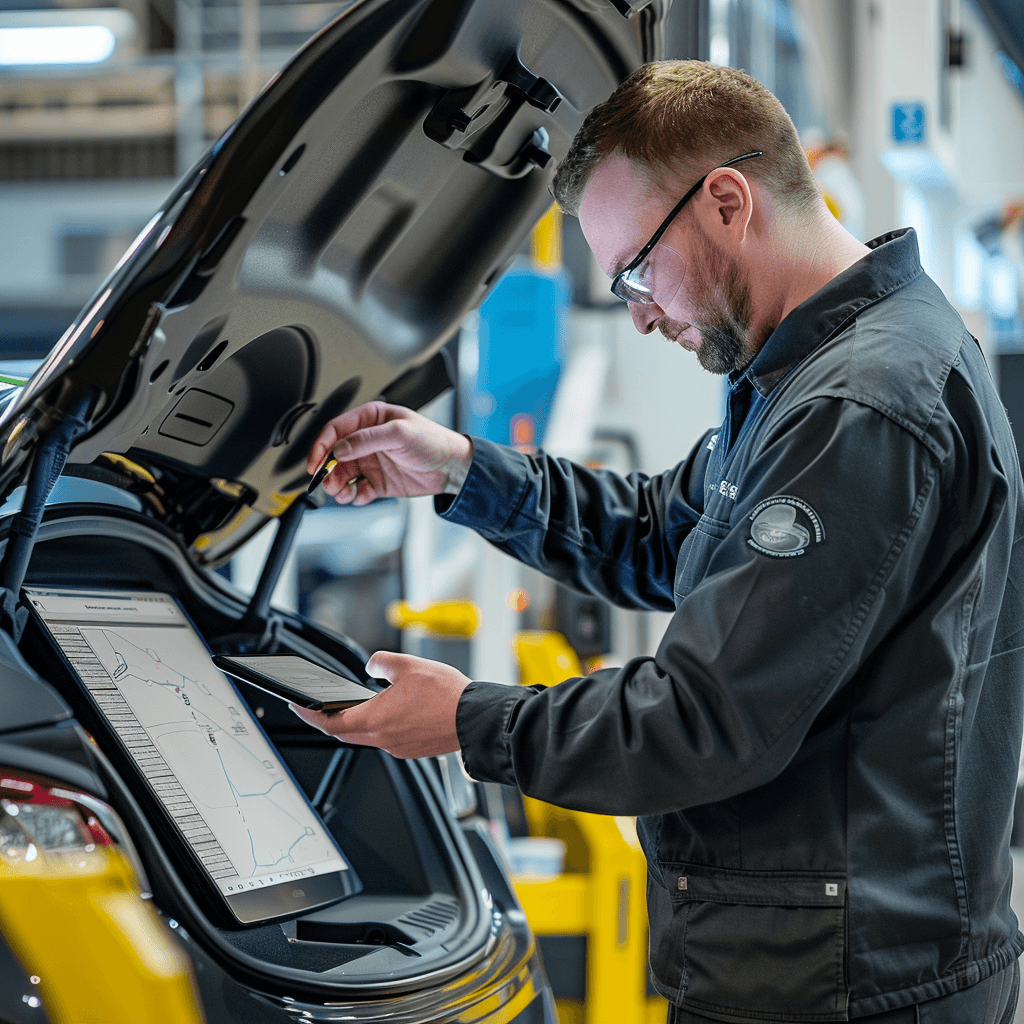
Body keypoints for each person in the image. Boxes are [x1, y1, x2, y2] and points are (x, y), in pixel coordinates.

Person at [294, 61, 1024, 1023]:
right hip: (810, 957)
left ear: (727, 200)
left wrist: (471, 721)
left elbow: (708, 718)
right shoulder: (802, 378)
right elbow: (656, 532)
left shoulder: (861, 404)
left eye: (637, 270)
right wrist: (461, 470)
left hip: (844, 983)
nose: (638, 312)